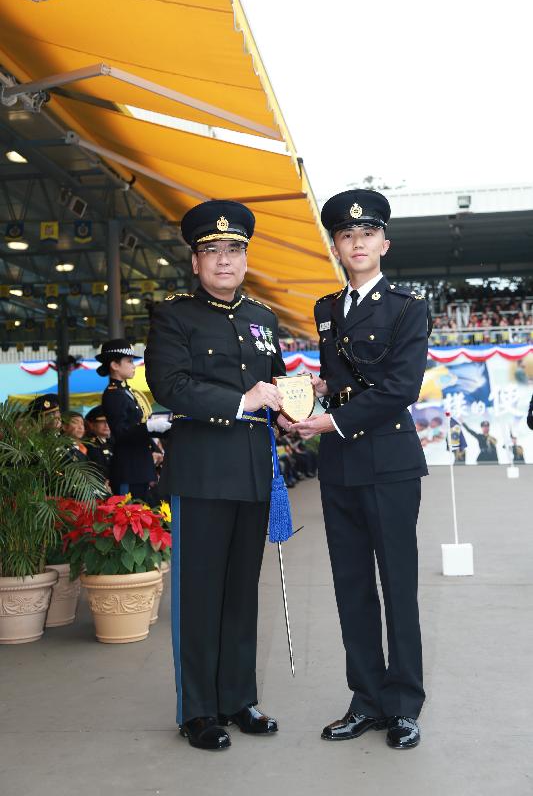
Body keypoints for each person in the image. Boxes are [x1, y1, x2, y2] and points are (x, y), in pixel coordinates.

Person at [145, 199, 289, 752]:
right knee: (199, 597)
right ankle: (199, 711)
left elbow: (270, 383)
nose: (224, 260)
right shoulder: (174, 315)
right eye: (212, 250)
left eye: (234, 250)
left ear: (246, 258)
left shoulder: (263, 319)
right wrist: (242, 399)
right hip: (202, 473)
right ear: (195, 260)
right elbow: (170, 386)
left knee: (239, 596)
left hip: (253, 472)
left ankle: (238, 699)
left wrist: (295, 396)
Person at [291, 189, 431, 750]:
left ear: (383, 243)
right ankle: (366, 699)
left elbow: (400, 388)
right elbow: (345, 379)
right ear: (337, 247)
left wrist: (328, 422)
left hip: (390, 463)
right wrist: (314, 392)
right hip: (341, 467)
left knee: (398, 587)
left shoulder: (407, 306)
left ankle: (403, 706)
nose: (357, 243)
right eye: (347, 236)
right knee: (351, 587)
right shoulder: (326, 309)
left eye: (366, 234)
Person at [96, 339, 171, 500]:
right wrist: (149, 427)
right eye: (129, 361)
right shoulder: (113, 394)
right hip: (129, 469)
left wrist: (156, 444)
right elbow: (121, 432)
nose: (133, 365)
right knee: (131, 519)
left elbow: (136, 428)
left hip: (140, 467)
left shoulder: (125, 391)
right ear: (115, 365)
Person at [84, 405, 114, 483]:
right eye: (102, 422)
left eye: (108, 421)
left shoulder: (111, 442)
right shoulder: (90, 445)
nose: (106, 425)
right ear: (91, 425)